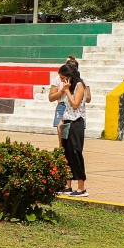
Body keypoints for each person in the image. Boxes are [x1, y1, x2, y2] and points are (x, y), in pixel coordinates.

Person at [52, 62, 88, 197]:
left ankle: (81, 187)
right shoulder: (70, 87)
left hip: (76, 122)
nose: (61, 81)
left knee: (75, 153)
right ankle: (67, 185)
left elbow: (75, 105)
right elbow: (66, 107)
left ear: (69, 76)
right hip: (67, 122)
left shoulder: (79, 86)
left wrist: (66, 90)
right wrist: (62, 121)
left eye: (62, 78)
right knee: (66, 153)